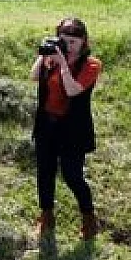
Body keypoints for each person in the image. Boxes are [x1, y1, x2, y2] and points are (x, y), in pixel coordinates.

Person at [31, 17, 102, 241]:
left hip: (73, 129)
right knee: (45, 172)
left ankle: (89, 217)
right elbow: (34, 77)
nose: (69, 46)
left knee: (72, 176)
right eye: (64, 41)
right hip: (47, 125)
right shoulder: (50, 60)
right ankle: (47, 216)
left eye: (73, 42)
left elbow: (73, 90)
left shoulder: (91, 64)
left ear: (84, 42)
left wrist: (63, 63)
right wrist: (43, 55)